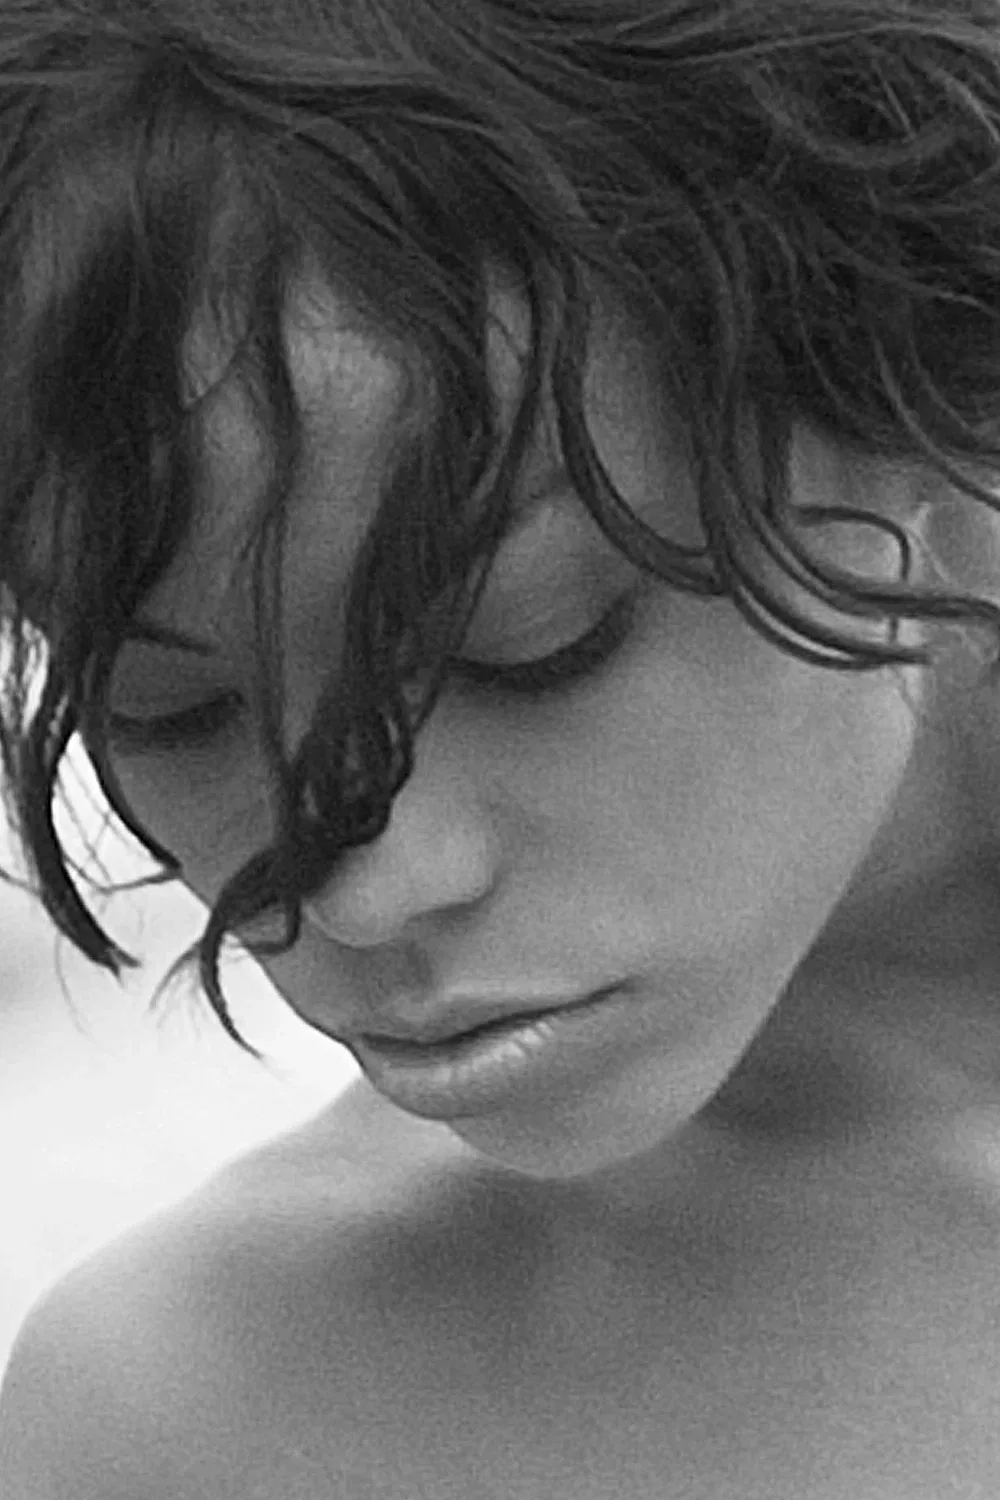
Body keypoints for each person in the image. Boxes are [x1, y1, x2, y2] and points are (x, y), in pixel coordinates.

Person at [2, 0, 1000, 1494]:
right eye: (168, 708)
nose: (360, 888)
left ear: (925, 395)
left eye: (530, 646)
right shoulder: (227, 1415)